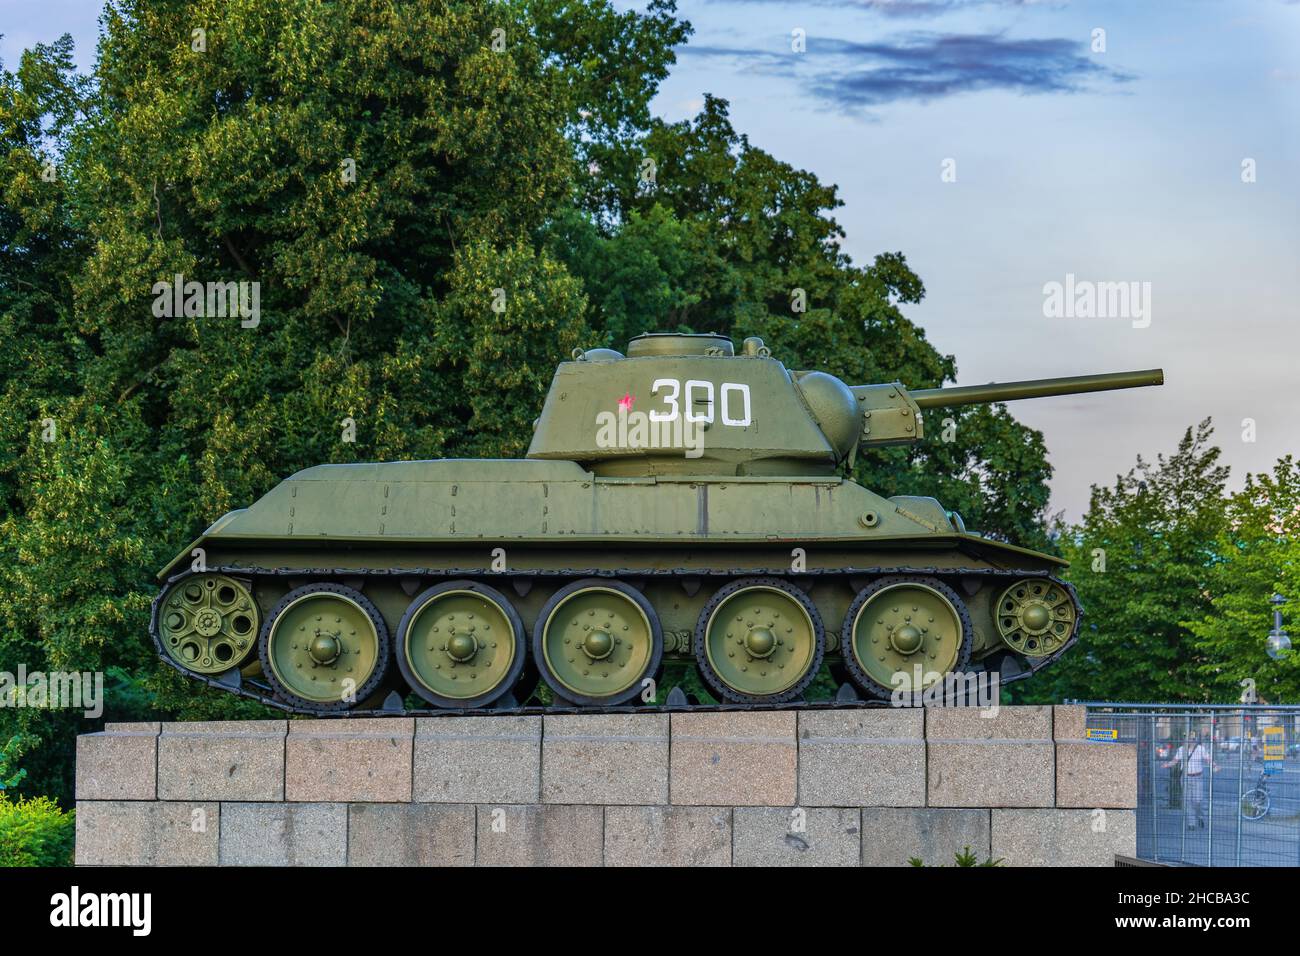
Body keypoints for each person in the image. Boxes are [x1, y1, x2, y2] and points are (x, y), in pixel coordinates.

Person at [1163, 733, 1214, 829]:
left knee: (1197, 800)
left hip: (1198, 777)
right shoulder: (1181, 749)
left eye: (1192, 739)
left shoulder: (1200, 749)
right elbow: (1175, 760)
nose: (1190, 741)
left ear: (1195, 740)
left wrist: (1214, 765)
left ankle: (1200, 816)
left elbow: (1208, 759)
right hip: (1185, 777)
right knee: (1188, 801)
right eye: (1188, 739)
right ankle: (1191, 823)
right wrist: (1168, 764)